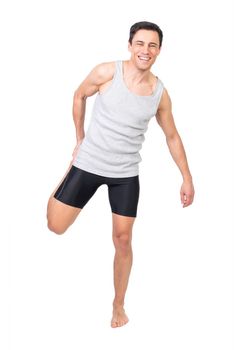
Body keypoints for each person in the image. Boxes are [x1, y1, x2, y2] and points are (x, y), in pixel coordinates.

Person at [46, 21, 195, 328]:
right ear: (130, 45)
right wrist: (79, 139)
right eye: (140, 43)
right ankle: (67, 173)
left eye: (152, 45)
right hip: (88, 162)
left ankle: (118, 305)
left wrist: (187, 178)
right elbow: (78, 95)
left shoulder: (159, 93)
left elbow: (172, 136)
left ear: (159, 51)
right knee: (55, 226)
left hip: (125, 173)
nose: (146, 50)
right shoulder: (106, 72)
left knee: (123, 239)